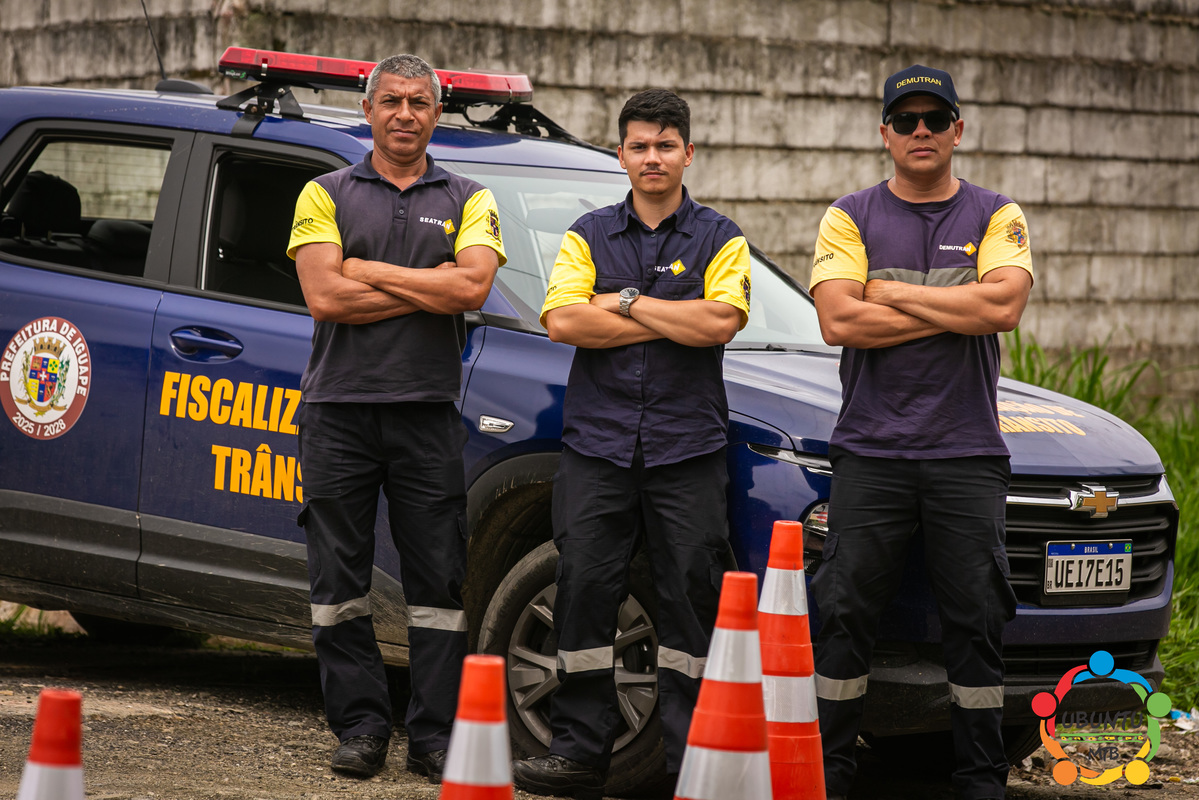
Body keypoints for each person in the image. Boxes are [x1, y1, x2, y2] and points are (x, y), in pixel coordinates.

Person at [511, 88, 752, 799]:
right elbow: (562, 322)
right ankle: (577, 755)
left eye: (665, 145)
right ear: (620, 154)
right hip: (598, 448)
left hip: (687, 451)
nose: (653, 157)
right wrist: (673, 314)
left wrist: (620, 302)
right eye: (640, 145)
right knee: (584, 593)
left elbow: (719, 324)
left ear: (688, 153)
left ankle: (691, 765)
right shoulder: (587, 234)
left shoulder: (721, 237)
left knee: (691, 599)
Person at [808, 64, 1034, 800]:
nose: (921, 131)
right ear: (886, 134)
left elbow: (1002, 309)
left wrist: (893, 292)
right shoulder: (849, 216)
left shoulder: (997, 214)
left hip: (967, 452)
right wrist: (956, 303)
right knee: (845, 615)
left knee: (976, 620)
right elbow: (839, 321)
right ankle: (830, 775)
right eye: (905, 120)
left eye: (936, 119)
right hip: (871, 450)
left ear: (958, 130)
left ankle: (979, 781)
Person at [285, 53, 505, 782]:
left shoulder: (471, 195)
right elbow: (326, 299)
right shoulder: (324, 192)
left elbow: (471, 290)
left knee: (439, 584)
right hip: (338, 413)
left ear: (437, 113)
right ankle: (360, 729)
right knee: (338, 582)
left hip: (426, 415)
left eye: (418, 102)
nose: (404, 114)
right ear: (368, 109)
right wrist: (428, 284)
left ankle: (434, 737)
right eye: (391, 100)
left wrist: (366, 269)